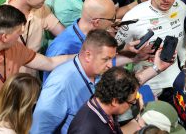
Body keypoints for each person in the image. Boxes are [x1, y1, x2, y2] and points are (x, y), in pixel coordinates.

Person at [31, 29, 172, 134]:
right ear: (88, 55)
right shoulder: (60, 84)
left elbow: (124, 88)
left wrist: (157, 68)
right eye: (106, 59)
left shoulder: (97, 70)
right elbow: (40, 130)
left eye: (112, 58)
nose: (111, 64)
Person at [0, 5, 73, 133]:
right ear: (4, 37)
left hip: (10, 122)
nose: (21, 34)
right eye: (18, 32)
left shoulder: (14, 47)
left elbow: (49, 63)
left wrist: (83, 56)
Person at [115, 0, 186, 103]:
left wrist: (185, 65)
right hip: (147, 84)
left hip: (176, 80)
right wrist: (134, 54)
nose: (166, 0)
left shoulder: (181, 8)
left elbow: (181, 35)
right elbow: (115, 49)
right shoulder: (132, 17)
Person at [43, 0, 116, 80]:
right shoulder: (62, 48)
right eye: (112, 19)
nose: (113, 23)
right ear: (97, 22)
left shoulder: (93, 36)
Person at [68, 67, 139, 134]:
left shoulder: (107, 110)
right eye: (131, 102)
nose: (133, 104)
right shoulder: (84, 130)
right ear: (115, 101)